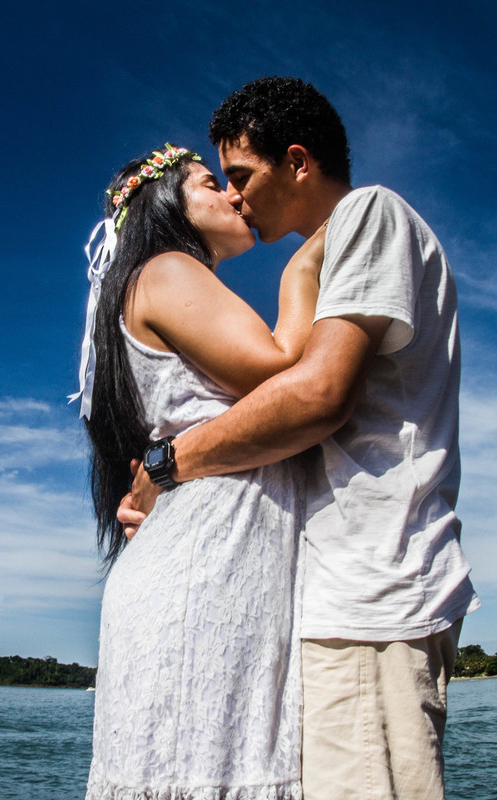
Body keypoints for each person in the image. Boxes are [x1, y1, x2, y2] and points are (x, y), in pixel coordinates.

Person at [118, 78, 481, 800]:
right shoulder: (324, 255)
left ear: (297, 160)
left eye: (243, 176)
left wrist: (166, 466)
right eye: (220, 183)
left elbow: (316, 394)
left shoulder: (368, 215)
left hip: (371, 592)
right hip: (334, 602)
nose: (236, 196)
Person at [73, 143, 324, 799]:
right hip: (204, 577)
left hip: (204, 568)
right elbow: (280, 367)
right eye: (212, 183)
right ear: (165, 203)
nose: (236, 195)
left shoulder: (155, 283)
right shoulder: (167, 270)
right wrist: (301, 274)